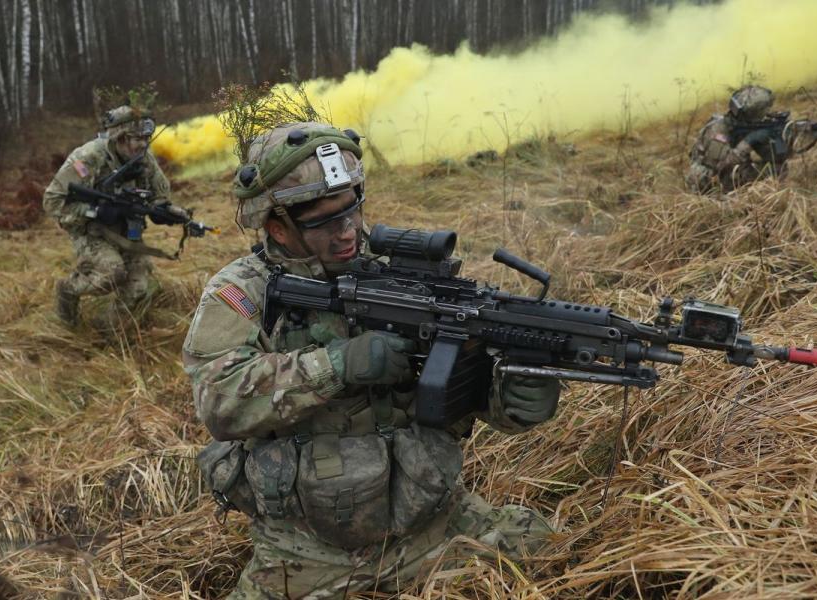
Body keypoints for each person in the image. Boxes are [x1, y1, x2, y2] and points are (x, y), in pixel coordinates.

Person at [184, 122, 562, 598]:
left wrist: (514, 392)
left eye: (352, 211)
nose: (347, 233)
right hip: (304, 550)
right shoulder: (242, 292)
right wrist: (338, 365)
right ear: (277, 226)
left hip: (431, 523)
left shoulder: (399, 276)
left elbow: (463, 387)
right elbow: (218, 399)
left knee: (550, 551)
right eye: (324, 222)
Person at [42, 104, 181, 329]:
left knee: (139, 288)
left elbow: (159, 194)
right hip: (90, 231)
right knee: (111, 273)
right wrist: (95, 211)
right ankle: (67, 289)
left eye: (147, 137)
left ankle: (108, 332)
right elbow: (52, 201)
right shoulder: (88, 158)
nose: (144, 144)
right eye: (137, 139)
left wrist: (168, 211)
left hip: (127, 230)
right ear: (120, 138)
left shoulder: (143, 158)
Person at [686, 85, 817, 194]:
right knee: (766, 172)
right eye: (762, 111)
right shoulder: (717, 130)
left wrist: (787, 136)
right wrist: (750, 140)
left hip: (729, 173)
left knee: (777, 168)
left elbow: (777, 157)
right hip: (708, 183)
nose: (766, 114)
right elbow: (723, 164)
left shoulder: (748, 124)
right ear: (752, 113)